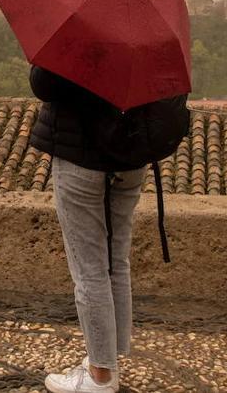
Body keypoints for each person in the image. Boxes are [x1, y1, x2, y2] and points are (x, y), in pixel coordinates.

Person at [30, 65, 144, 393]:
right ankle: (109, 359)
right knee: (115, 262)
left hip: (81, 158)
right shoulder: (141, 29)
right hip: (130, 157)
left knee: (89, 269)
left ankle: (100, 377)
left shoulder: (79, 35)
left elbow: (43, 84)